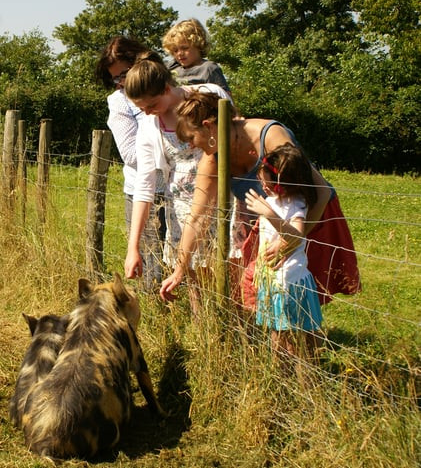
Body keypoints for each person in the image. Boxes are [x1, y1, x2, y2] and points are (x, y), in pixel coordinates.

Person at [160, 91, 361, 309]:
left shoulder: (271, 137)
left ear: (208, 126)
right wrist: (179, 269)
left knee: (298, 297)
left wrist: (290, 241)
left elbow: (319, 191)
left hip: (311, 216)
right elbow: (198, 217)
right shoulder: (212, 159)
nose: (190, 146)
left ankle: (300, 341)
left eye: (191, 138)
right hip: (271, 226)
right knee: (267, 298)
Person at [121, 51, 232, 315]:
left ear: (167, 88)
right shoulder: (150, 126)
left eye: (152, 105)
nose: (148, 113)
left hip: (224, 200)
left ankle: (235, 333)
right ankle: (204, 332)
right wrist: (132, 246)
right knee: (193, 278)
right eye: (141, 109)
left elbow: (235, 138)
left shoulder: (209, 95)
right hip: (182, 209)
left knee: (228, 272)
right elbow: (145, 186)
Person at [95, 36, 166, 291]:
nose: (122, 82)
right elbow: (132, 155)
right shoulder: (119, 102)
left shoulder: (167, 87)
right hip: (147, 193)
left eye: (124, 73)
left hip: (182, 190)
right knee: (153, 270)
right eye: (116, 78)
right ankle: (160, 324)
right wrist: (173, 147)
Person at [244, 144, 323, 362]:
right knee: (278, 337)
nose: (262, 185)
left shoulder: (295, 204)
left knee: (295, 342)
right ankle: (283, 381)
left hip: (290, 283)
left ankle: (303, 381)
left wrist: (269, 214)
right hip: (274, 282)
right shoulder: (271, 201)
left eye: (266, 180)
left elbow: (297, 235)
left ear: (283, 183)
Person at [163, 18, 230, 94]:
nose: (179, 53)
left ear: (198, 45)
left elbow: (225, 98)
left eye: (184, 48)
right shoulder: (170, 67)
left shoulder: (208, 69)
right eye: (175, 50)